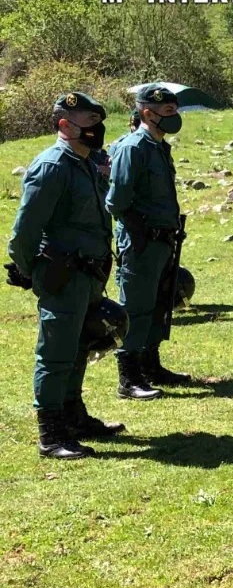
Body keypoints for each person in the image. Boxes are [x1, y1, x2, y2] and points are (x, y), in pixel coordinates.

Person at [8, 92, 121, 458]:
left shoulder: (85, 162)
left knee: (78, 348)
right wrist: (30, 271)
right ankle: (52, 434)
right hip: (63, 275)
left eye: (97, 121)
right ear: (64, 125)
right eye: (89, 122)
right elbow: (25, 230)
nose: (97, 129)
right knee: (56, 354)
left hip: (88, 275)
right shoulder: (52, 165)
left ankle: (74, 416)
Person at [105, 84, 193, 400]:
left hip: (163, 241)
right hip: (141, 242)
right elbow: (116, 201)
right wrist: (141, 229)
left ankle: (151, 365)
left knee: (159, 304)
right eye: (168, 112)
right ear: (148, 113)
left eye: (175, 110)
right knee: (135, 307)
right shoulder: (133, 148)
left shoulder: (158, 147)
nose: (175, 117)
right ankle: (128, 378)